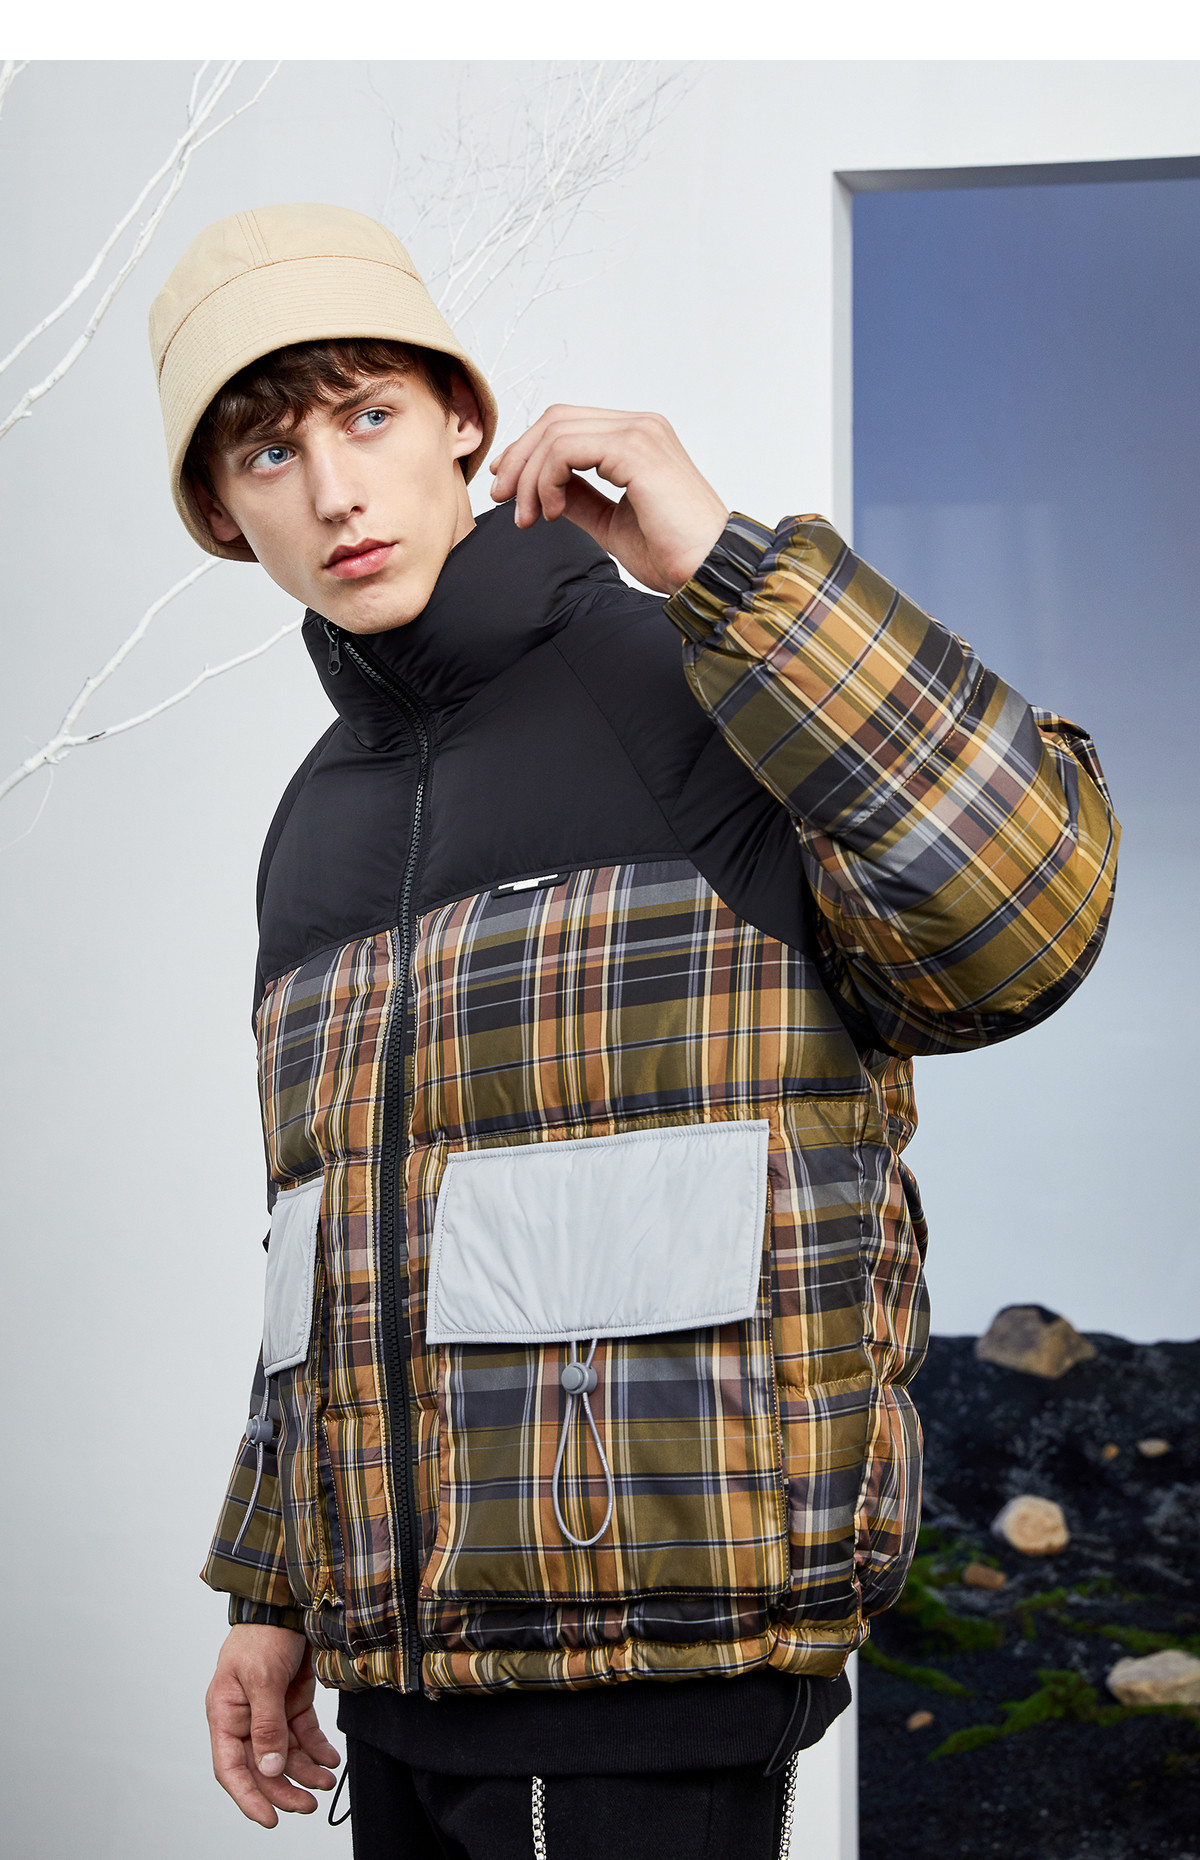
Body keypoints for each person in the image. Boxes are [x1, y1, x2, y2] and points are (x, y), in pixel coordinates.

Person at [148, 203, 1119, 1858]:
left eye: (368, 415)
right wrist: (273, 1587)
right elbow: (325, 1247)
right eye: (267, 454)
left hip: (657, 1664)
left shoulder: (692, 676)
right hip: (403, 1682)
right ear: (224, 518)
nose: (334, 493)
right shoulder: (312, 824)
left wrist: (729, 566)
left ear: (463, 418)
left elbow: (1028, 913)